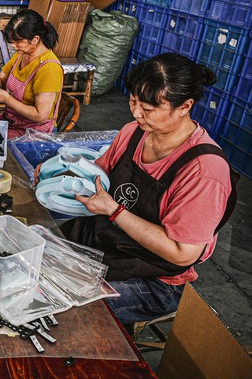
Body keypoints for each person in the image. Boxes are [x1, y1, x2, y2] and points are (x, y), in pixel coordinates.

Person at [54, 53, 237, 326]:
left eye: (148, 108)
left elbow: (182, 252)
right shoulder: (133, 132)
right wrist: (65, 172)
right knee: (33, 262)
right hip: (106, 243)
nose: (136, 113)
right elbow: (99, 175)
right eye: (133, 101)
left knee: (62, 313)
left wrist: (115, 211)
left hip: (154, 280)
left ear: (185, 106)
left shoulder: (204, 172)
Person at [0, 9, 63, 138]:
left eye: (18, 42)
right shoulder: (21, 55)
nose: (14, 46)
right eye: (12, 42)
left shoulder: (49, 68)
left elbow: (41, 115)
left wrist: (7, 99)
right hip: (12, 122)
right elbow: (2, 77)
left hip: (34, 133)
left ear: (35, 40)